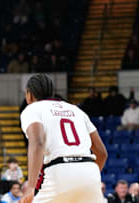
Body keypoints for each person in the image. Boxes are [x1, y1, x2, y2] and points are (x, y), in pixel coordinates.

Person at [19, 74, 108, 203]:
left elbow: (37, 143)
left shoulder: (32, 109)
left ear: (29, 95)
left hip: (60, 171)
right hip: (90, 172)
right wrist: (85, 179)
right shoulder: (77, 110)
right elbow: (102, 153)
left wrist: (31, 187)